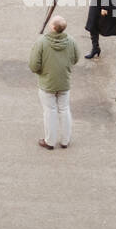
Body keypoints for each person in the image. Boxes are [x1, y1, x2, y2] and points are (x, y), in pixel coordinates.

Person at [28, 14, 80, 150]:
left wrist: (41, 72)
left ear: (52, 27)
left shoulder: (42, 42)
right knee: (64, 109)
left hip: (47, 83)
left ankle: (49, 141)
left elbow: (34, 65)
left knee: (49, 111)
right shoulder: (71, 41)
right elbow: (76, 58)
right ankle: (65, 140)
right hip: (64, 82)